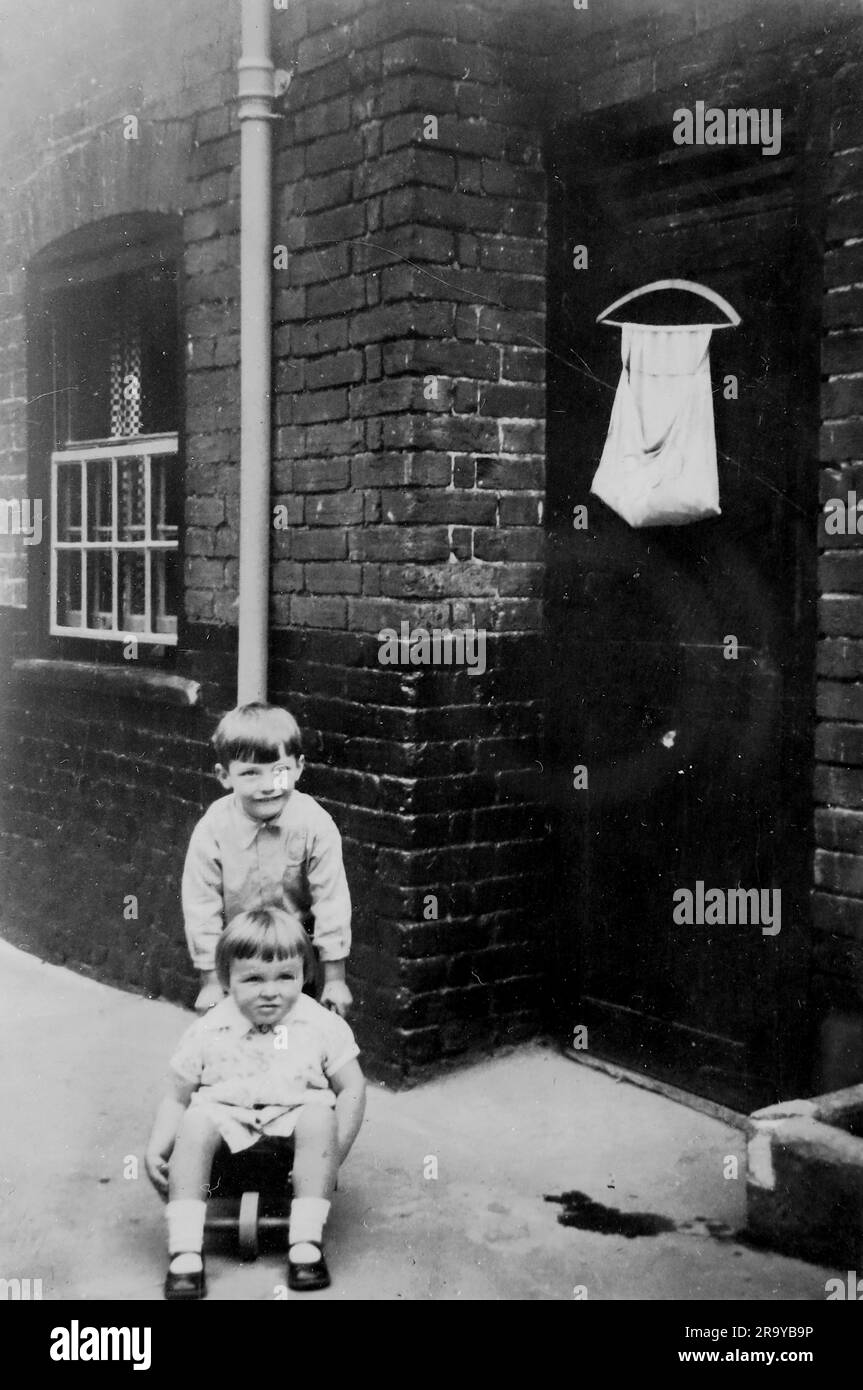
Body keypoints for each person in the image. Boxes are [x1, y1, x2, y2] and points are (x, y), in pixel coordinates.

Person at [145, 907, 366, 1299]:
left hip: (293, 1145)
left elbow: (352, 1087)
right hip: (224, 1147)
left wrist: (337, 1150)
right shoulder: (209, 1028)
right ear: (226, 979)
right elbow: (177, 1097)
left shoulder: (320, 1025)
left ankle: (305, 1243)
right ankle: (185, 1250)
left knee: (318, 1116)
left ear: (304, 973)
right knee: (195, 1121)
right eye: (253, 979)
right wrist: (156, 1148)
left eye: (285, 976)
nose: (270, 991)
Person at [182, 701, 353, 1017]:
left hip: (295, 966)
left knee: (298, 1037)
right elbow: (201, 906)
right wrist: (210, 982)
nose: (267, 787)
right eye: (250, 773)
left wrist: (335, 979)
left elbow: (331, 903)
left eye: (279, 772)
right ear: (224, 775)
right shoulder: (213, 828)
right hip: (237, 967)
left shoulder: (315, 824)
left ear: (298, 767)